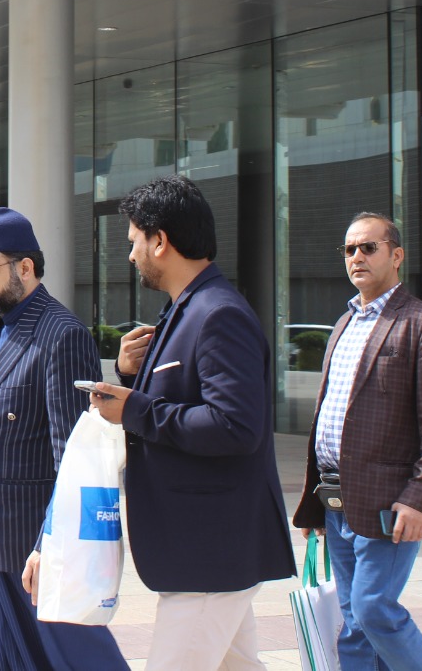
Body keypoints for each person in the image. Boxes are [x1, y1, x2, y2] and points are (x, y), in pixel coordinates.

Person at [85, 175, 294, 671]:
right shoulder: (187, 309)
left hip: (211, 550)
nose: (131, 255)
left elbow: (235, 425)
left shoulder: (219, 313)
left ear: (160, 240)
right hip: (205, 549)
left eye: (134, 241)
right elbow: (184, 400)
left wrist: (132, 409)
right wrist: (130, 375)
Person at [0, 208, 127, 671]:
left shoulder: (61, 335)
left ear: (25, 267)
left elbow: (74, 459)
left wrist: (45, 546)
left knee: (73, 659)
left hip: (29, 547)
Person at [293, 213, 422, 671]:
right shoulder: (344, 324)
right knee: (353, 624)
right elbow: (328, 415)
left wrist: (420, 499)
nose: (357, 257)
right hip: (336, 499)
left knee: (373, 610)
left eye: (368, 247)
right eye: (349, 249)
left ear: (396, 254)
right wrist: (315, 503)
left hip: (389, 504)